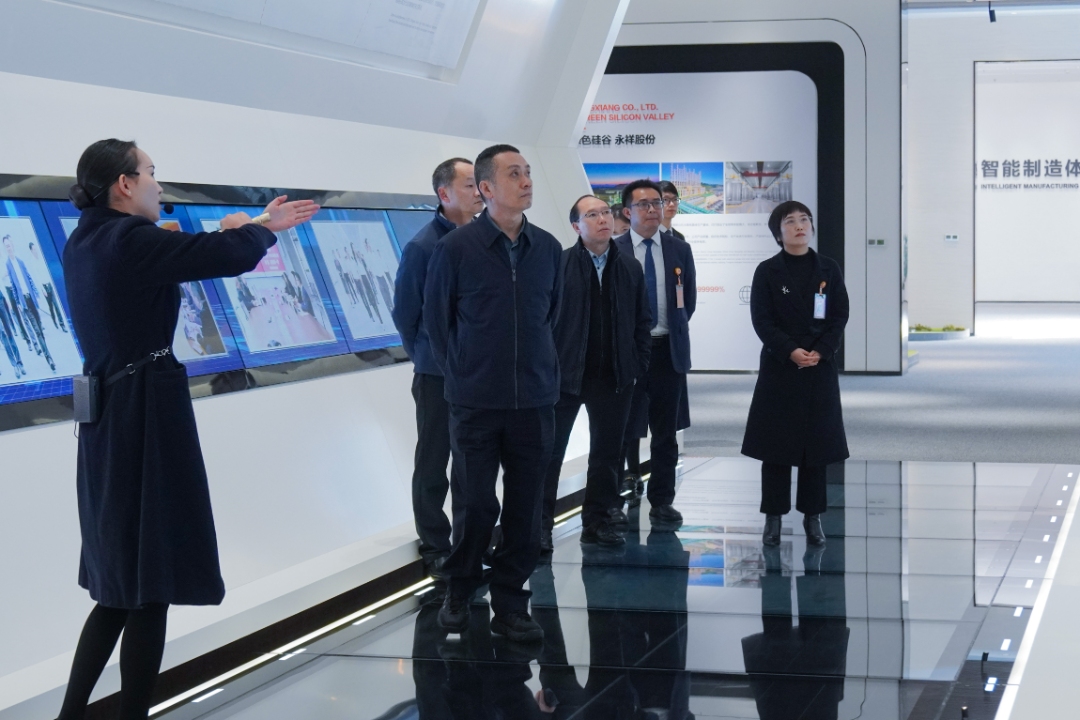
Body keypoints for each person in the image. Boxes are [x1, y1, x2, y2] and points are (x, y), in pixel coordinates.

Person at [56, 138, 318, 720]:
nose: (158, 184)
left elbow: (183, 252)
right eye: (151, 172)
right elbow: (218, 256)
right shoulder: (129, 240)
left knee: (121, 585)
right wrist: (258, 229)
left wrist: (247, 227)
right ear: (124, 184)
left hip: (111, 415)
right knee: (150, 581)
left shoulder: (88, 239)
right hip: (143, 415)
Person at [424, 144, 562, 643]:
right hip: (476, 403)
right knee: (476, 505)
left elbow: (552, 316)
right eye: (514, 174)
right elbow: (437, 323)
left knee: (526, 511)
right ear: (485, 188)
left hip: (535, 403)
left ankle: (509, 602)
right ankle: (460, 590)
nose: (526, 182)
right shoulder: (455, 249)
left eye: (527, 172)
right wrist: (464, 375)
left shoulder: (547, 248)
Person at [539, 195, 651, 551]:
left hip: (615, 378)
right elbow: (541, 321)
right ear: (576, 226)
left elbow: (643, 321)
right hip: (564, 378)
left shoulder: (629, 267)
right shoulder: (558, 265)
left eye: (605, 213)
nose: (603, 219)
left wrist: (637, 364)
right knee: (548, 455)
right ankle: (539, 529)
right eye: (592, 215)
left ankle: (597, 522)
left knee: (607, 455)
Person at [392, 157, 484, 583]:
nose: (479, 192)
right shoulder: (424, 246)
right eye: (469, 185)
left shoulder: (488, 239)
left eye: (480, 184)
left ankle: (469, 545)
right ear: (444, 194)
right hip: (438, 375)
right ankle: (434, 546)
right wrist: (430, 358)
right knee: (433, 461)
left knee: (473, 465)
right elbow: (406, 313)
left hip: (481, 372)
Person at [741, 201, 849, 547]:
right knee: (776, 447)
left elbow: (839, 315)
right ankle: (773, 517)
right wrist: (790, 350)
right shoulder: (767, 271)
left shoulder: (828, 268)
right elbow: (761, 320)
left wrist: (822, 351)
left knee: (816, 447)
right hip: (781, 366)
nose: (799, 226)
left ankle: (812, 517)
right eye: (790, 221)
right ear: (778, 232)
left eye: (805, 219)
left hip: (819, 366)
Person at [614, 180, 696, 529]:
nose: (652, 210)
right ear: (627, 212)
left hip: (667, 352)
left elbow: (687, 301)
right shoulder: (614, 249)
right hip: (628, 354)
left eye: (657, 203)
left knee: (665, 433)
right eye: (643, 204)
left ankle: (662, 501)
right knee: (619, 431)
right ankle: (613, 502)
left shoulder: (679, 249)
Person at [4, 234, 55, 371]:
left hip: (31, 299)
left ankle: (46, 352)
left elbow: (29, 278)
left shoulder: (20, 261)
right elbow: (13, 286)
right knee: (36, 330)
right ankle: (49, 358)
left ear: (13, 245)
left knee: (40, 328)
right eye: (6, 246)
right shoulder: (8, 265)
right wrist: (18, 303)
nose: (9, 248)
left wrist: (36, 293)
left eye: (10, 245)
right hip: (23, 303)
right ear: (5, 248)